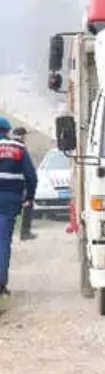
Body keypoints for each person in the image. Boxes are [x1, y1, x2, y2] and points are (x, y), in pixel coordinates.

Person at [0, 116, 38, 297]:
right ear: (7, 131)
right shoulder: (18, 148)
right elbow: (31, 176)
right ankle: (0, 283)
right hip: (10, 200)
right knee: (3, 240)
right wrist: (29, 197)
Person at [11, 128, 35, 241]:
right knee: (28, 205)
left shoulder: (7, 146)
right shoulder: (21, 147)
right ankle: (25, 232)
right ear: (22, 136)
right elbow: (29, 171)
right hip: (19, 183)